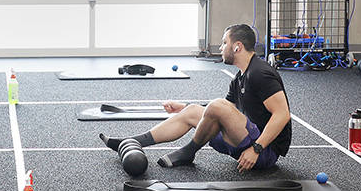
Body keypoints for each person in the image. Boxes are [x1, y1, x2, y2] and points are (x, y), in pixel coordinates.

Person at [100, 23, 291, 171]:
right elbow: (225, 109)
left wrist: (256, 149)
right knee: (193, 110)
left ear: (237, 47)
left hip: (264, 152)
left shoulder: (260, 73)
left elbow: (282, 114)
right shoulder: (241, 76)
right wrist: (184, 107)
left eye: (225, 43)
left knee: (216, 106)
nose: (222, 47)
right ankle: (133, 141)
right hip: (245, 139)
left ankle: (189, 152)